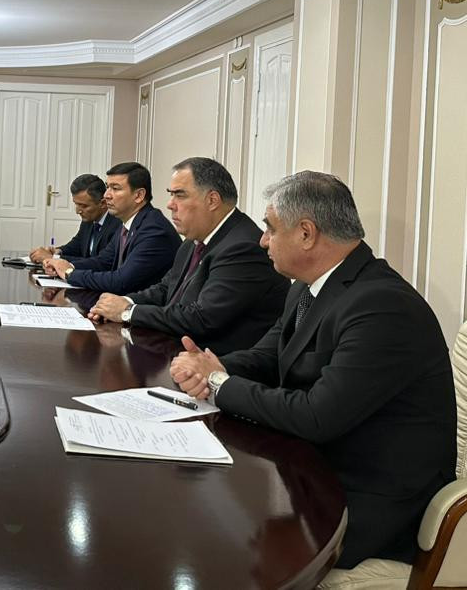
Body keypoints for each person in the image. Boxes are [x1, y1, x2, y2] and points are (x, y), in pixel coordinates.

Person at [170, 171, 455, 569]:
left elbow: (316, 416)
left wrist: (218, 382)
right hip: (313, 471)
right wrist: (206, 369)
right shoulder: (307, 286)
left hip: (371, 504)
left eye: (270, 228)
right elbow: (269, 356)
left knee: (221, 545)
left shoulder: (382, 305)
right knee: (198, 510)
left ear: (306, 233)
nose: (262, 240)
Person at [88, 157, 288, 354]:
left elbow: (201, 318)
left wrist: (127, 312)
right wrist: (121, 303)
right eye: (171, 194)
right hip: (178, 351)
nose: (170, 204)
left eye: (180, 195)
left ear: (212, 200)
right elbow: (166, 289)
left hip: (218, 362)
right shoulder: (194, 240)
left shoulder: (242, 248)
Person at [43, 162, 180, 294]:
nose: (106, 195)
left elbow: (120, 281)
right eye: (107, 187)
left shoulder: (154, 230)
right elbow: (104, 261)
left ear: (138, 196)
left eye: (115, 188)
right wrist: (63, 265)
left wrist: (69, 273)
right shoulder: (128, 223)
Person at [28, 174, 121, 265]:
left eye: (84, 206)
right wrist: (58, 251)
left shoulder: (117, 225)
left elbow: (99, 262)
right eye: (76, 204)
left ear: (103, 203)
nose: (78, 211)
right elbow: (78, 244)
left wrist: (53, 259)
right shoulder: (89, 219)